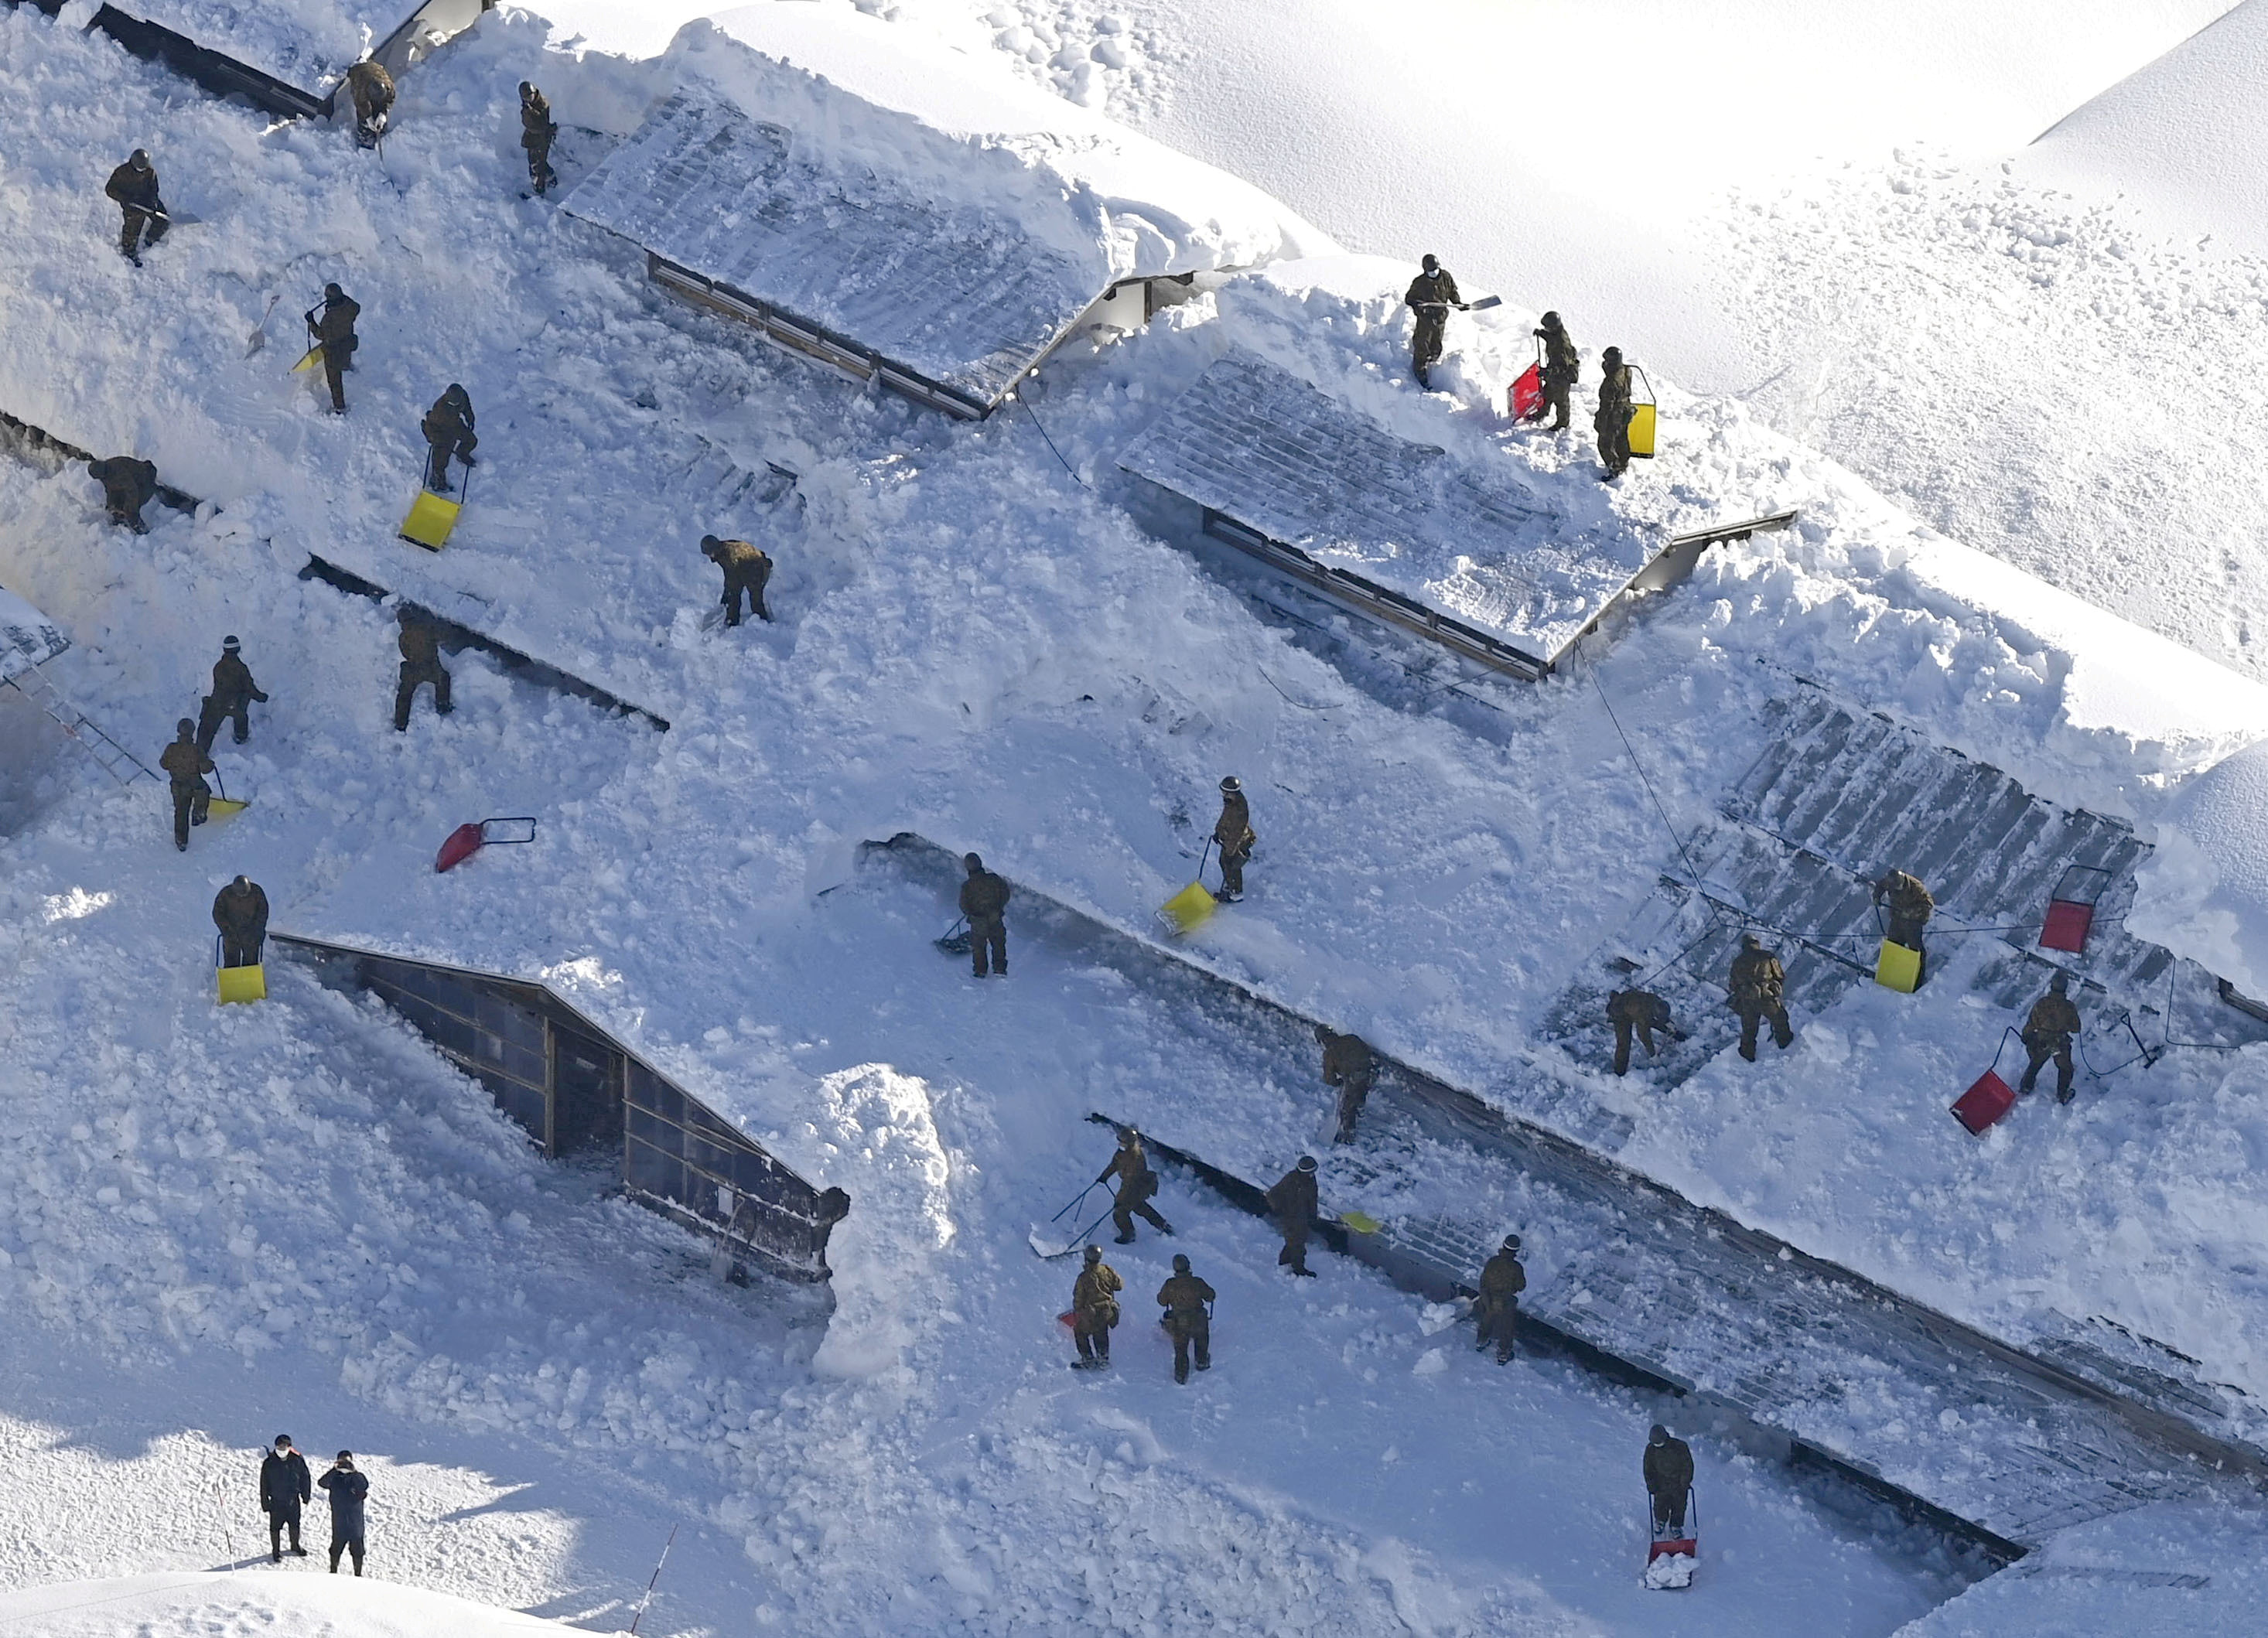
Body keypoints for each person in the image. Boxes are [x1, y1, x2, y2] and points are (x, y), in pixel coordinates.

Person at [1096, 1128, 1173, 1243]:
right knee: (1140, 1207)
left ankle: (1129, 1234)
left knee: (1120, 1212)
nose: (1120, 1144)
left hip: (1137, 1186)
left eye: (1123, 1142)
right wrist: (1104, 1177)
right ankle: (1163, 1225)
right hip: (1132, 1186)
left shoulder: (1135, 1158)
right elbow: (1114, 1164)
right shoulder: (1123, 1151)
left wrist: (1119, 1199)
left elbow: (1128, 1183)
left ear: (1130, 1143)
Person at [196, 636, 269, 752]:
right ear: (238, 649)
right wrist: (261, 697)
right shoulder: (241, 668)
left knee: (207, 728)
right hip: (235, 705)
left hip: (217, 704)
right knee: (241, 716)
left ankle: (201, 751)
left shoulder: (218, 666)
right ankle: (241, 737)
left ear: (224, 649)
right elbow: (249, 688)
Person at [1727, 933, 1793, 1063]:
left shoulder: (1737, 961)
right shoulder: (1767, 956)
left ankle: (1747, 1054)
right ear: (1756, 943)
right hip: (1766, 995)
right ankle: (1784, 1043)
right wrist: (1775, 988)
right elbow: (1779, 975)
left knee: (1749, 1028)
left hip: (1747, 997)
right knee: (1779, 1019)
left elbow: (1733, 985)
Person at [2020, 971, 2083, 1104]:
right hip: (2060, 1044)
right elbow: (2076, 1028)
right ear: (2065, 988)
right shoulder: (2069, 1007)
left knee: (2035, 1065)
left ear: (2051, 986)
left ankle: (2026, 1087)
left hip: (2041, 1041)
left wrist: (2026, 1037)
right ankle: (2062, 1094)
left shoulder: (2041, 1003)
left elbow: (2031, 1023)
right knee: (2065, 1068)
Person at [1403, 254, 1465, 388]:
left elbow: (1452, 291)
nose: (1434, 273)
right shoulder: (1419, 283)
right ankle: (1420, 370)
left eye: (1436, 270)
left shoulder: (1446, 277)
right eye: (1431, 272)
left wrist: (1458, 303)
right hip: (1425, 319)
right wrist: (1420, 308)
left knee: (1436, 345)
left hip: (1441, 317)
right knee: (1422, 344)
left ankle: (1433, 362)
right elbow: (1409, 299)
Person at [1156, 1254, 1215, 1385]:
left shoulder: (1170, 1284)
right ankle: (1202, 1361)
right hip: (1198, 1320)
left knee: (1181, 1349)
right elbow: (1211, 1296)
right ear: (1188, 1266)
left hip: (1180, 1323)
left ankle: (1181, 1374)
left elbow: (1161, 1301)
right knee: (1201, 1340)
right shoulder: (1197, 1282)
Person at [159, 718, 213, 851]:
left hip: (177, 786)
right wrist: (210, 764)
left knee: (180, 812)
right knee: (204, 790)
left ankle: (181, 840)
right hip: (194, 784)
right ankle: (198, 814)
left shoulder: (171, 748)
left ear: (179, 731)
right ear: (192, 732)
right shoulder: (196, 749)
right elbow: (205, 769)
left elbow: (163, 764)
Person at [104, 148, 167, 263]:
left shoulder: (150, 171)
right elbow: (109, 189)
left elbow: (154, 187)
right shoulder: (121, 173)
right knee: (132, 229)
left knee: (162, 218)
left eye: (144, 168)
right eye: (139, 169)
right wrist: (125, 199)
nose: (142, 171)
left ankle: (151, 237)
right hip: (132, 204)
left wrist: (153, 199)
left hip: (147, 200)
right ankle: (129, 251)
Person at [394, 609, 453, 731]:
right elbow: (442, 635)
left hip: (413, 670)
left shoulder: (402, 637)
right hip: (431, 667)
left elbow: (405, 653)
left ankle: (400, 723)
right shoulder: (426, 628)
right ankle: (442, 705)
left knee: (404, 694)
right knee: (443, 678)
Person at [306, 284, 360, 414]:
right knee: (345, 356)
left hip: (334, 350)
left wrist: (311, 321)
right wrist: (342, 300)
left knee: (334, 380)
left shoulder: (328, 319)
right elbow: (357, 308)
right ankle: (346, 366)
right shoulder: (350, 307)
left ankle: (339, 406)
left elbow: (320, 334)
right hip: (347, 343)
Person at [1317, 1025, 1375, 1144]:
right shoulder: (1351, 1038)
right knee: (1361, 1090)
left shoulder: (1330, 1053)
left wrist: (1339, 1082)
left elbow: (1329, 1078)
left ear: (1322, 1040)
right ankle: (1360, 1107)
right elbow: (1367, 1050)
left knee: (1347, 1108)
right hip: (1370, 1072)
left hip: (1354, 1078)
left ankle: (1349, 1134)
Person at [1472, 1234, 1525, 1363]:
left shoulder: (1492, 1261)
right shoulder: (1516, 1267)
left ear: (1503, 1245)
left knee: (1487, 1319)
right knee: (1507, 1327)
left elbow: (1483, 1279)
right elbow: (1521, 1286)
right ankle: (1503, 1354)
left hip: (1488, 1296)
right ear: (1516, 1250)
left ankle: (1481, 1342)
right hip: (1505, 1300)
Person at [1873, 868, 1936, 978]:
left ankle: (1918, 977)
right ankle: (1894, 974)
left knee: (1915, 949)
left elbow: (1928, 904)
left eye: (1898, 887)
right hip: (1897, 917)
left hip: (1914, 920)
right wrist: (1876, 897)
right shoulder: (1890, 882)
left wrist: (1910, 913)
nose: (1897, 889)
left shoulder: (1916, 887)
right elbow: (1880, 885)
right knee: (1893, 944)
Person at [1265, 1154, 1319, 1277]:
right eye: (1311, 1172)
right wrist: (1279, 1209)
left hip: (1303, 1216)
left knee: (1294, 1241)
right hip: (1291, 1217)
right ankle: (1299, 1269)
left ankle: (1284, 1261)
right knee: (1297, 1244)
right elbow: (1272, 1194)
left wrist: (1312, 1215)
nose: (1313, 1174)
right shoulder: (1291, 1179)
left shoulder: (1310, 1180)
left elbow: (1312, 1198)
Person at [260, 1435, 312, 1561]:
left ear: (289, 1447)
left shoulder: (297, 1460)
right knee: (275, 1528)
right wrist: (265, 1503)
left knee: (295, 1525)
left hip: (293, 1501)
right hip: (276, 1501)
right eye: (279, 1446)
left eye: (284, 1446)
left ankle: (295, 1546)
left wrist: (306, 1495)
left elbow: (305, 1478)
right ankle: (276, 1551)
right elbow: (264, 1484)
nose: (282, 1449)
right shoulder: (269, 1462)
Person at [958, 851, 1010, 978]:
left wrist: (971, 914)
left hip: (978, 922)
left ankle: (980, 971)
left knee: (978, 946)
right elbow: (1005, 893)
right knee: (998, 943)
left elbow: (963, 905)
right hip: (995, 918)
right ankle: (1000, 969)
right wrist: (998, 908)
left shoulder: (967, 887)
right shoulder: (993, 879)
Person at [1070, 1244, 1122, 1370]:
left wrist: (1078, 1310)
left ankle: (1088, 1358)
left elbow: (1078, 1298)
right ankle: (1103, 1359)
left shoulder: (1084, 1277)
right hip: (1107, 1311)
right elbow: (1119, 1285)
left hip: (1091, 1313)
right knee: (1101, 1334)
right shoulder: (1107, 1270)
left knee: (1080, 1332)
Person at [701, 535, 772, 626]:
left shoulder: (728, 554)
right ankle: (731, 620)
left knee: (755, 595)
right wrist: (727, 593)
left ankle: (761, 621)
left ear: (714, 549)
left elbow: (731, 576)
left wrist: (727, 592)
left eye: (709, 553)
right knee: (733, 594)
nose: (709, 556)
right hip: (742, 566)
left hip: (756, 566)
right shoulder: (721, 551)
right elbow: (729, 574)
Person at [317, 1451, 369, 1575]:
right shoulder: (334, 1478)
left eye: (347, 1462)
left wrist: (354, 1472)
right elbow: (322, 1483)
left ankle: (358, 1573)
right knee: (336, 1548)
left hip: (355, 1522)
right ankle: (333, 1570)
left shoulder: (357, 1477)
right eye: (342, 1462)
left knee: (358, 1549)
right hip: (339, 1520)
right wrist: (334, 1470)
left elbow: (364, 1485)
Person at [1607, 988, 1678, 1077]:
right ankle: (1619, 1072)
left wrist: (1668, 1022)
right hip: (1620, 1013)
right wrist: (1653, 1055)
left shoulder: (1656, 1000)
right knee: (1624, 1043)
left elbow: (1660, 1017)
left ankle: (1676, 1033)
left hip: (1631, 1002)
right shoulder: (1642, 1015)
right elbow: (1644, 1036)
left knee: (1655, 1021)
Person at [421, 384, 477, 494]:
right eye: (451, 403)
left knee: (471, 440)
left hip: (454, 424)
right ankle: (437, 482)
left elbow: (466, 407)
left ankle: (462, 454)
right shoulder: (440, 409)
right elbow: (431, 426)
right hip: (440, 432)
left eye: (456, 403)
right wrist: (435, 439)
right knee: (441, 458)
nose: (453, 405)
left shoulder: (462, 396)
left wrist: (470, 418)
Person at [1644, 1424, 1695, 1537]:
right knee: (1660, 1504)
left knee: (1679, 1505)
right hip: (1660, 1483)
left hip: (1679, 1482)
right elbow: (1648, 1468)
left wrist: (1685, 1481)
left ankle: (1676, 1526)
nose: (1658, 1445)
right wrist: (1651, 1483)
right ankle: (1660, 1521)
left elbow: (1688, 1466)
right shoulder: (1650, 1449)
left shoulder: (1680, 1446)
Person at [87, 455, 158, 533]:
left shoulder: (118, 471)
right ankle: (121, 520)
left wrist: (131, 510)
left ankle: (142, 530)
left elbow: (132, 490)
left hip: (145, 482)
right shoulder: (105, 472)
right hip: (132, 485)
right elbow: (110, 489)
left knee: (131, 509)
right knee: (115, 506)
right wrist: (112, 504)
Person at [1533, 310, 1579, 431]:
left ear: (1553, 327)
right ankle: (1542, 412)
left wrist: (1549, 372)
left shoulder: (1562, 344)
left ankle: (1562, 423)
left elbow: (1563, 366)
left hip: (1562, 376)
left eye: (1547, 328)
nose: (1546, 329)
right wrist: (1542, 333)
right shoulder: (1556, 334)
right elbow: (1551, 338)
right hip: (1554, 372)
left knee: (1561, 400)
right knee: (1547, 393)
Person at [1212, 776, 1255, 903]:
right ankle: (1229, 883)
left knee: (1232, 866)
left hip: (1239, 842)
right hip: (1229, 840)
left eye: (1224, 792)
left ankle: (1236, 893)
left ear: (1231, 792)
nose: (1222, 794)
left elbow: (1238, 833)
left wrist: (1230, 849)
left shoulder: (1240, 810)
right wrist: (1218, 831)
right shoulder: (1230, 801)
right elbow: (1225, 818)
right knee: (1223, 862)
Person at [213, 875, 269, 969]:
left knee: (251, 961)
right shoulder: (225, 894)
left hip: (250, 932)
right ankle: (232, 981)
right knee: (231, 961)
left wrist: (257, 929)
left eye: (245, 894)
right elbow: (218, 913)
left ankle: (250, 981)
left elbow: (263, 912)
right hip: (232, 932)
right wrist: (227, 929)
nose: (242, 896)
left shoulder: (257, 892)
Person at [1595, 346, 1634, 479]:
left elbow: (1606, 407)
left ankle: (1615, 467)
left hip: (1614, 415)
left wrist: (1601, 421)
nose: (1605, 363)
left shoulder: (1611, 383)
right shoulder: (1626, 370)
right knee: (1621, 437)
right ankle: (1623, 461)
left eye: (1607, 361)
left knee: (1605, 443)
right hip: (1626, 410)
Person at [345, 60, 395, 148]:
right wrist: (368, 118)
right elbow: (361, 105)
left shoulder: (388, 86)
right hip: (358, 70)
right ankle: (365, 135)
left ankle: (380, 130)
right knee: (363, 113)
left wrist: (383, 113)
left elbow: (390, 99)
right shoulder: (361, 89)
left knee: (379, 105)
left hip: (374, 68)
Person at [520, 82, 558, 196]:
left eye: (530, 96)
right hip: (534, 138)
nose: (529, 99)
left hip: (541, 139)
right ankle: (550, 176)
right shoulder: (529, 106)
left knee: (537, 167)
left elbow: (538, 125)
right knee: (537, 162)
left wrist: (529, 111)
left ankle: (539, 189)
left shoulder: (542, 104)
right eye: (526, 97)